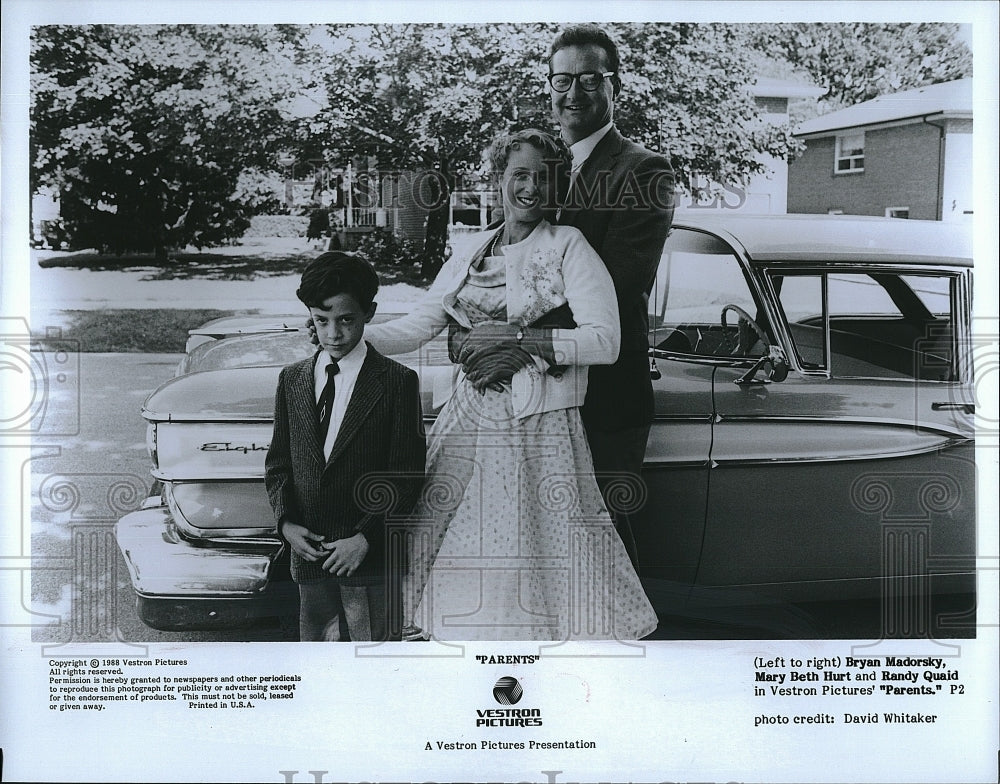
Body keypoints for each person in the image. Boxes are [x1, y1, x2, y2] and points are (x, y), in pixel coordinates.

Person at [364, 129, 658, 641]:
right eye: (519, 174)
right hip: (468, 419)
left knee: (523, 545)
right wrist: (347, 335)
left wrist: (520, 339)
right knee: (444, 531)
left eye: (544, 176)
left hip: (537, 423)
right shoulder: (473, 247)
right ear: (497, 179)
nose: (531, 187)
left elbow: (605, 341)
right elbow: (419, 324)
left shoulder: (569, 245)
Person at [458, 24, 675, 570]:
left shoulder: (644, 170)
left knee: (596, 552)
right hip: (520, 398)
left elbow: (622, 287)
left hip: (604, 397)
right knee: (530, 546)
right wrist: (468, 328)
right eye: (561, 80)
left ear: (614, 85)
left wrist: (508, 339)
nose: (572, 93)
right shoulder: (537, 165)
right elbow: (507, 268)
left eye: (588, 79)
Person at [265, 251, 425, 642]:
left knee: (372, 659)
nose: (333, 334)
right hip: (309, 551)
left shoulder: (396, 382)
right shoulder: (292, 379)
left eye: (346, 320)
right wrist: (287, 524)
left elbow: (406, 474)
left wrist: (365, 537)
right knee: (316, 650)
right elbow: (279, 464)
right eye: (322, 321)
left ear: (369, 312)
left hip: (366, 555)